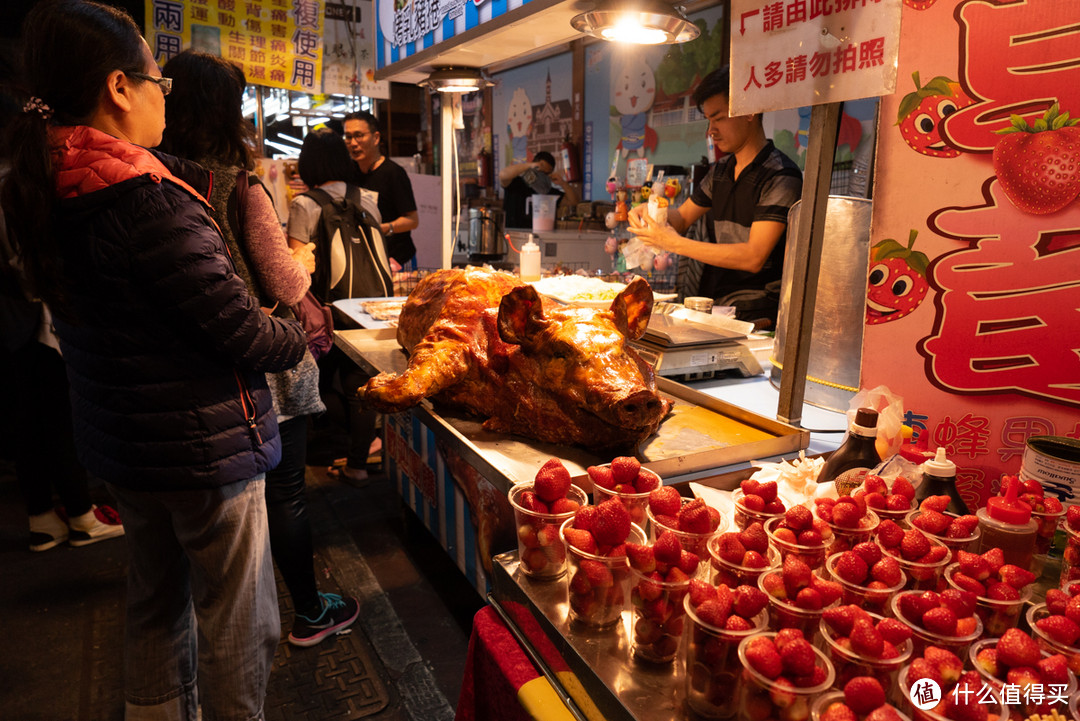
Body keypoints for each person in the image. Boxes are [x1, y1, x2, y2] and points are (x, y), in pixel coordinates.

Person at [1, 2, 308, 719]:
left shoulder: (50, 182)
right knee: (241, 622)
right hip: (202, 449)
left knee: (154, 607)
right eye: (155, 84)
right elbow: (239, 330)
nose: (160, 99)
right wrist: (290, 326)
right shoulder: (145, 200)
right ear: (117, 87)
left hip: (126, 443)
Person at [159, 50, 359, 647]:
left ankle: (209, 619)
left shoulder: (156, 177)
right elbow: (285, 281)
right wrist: (303, 274)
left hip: (195, 371)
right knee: (285, 493)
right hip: (263, 361)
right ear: (226, 111)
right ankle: (308, 612)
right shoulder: (235, 182)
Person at [628, 66, 803, 330]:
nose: (711, 131)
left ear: (750, 111)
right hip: (719, 306)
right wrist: (653, 212)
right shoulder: (721, 172)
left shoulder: (781, 175)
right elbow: (682, 218)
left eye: (718, 118)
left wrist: (673, 242)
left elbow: (753, 257)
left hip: (761, 314)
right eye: (708, 121)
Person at [288, 129, 382, 486]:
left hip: (329, 309)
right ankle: (359, 462)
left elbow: (297, 266)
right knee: (362, 387)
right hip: (372, 306)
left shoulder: (305, 204)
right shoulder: (369, 197)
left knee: (325, 383)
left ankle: (341, 449)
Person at [343, 110, 419, 270]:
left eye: (359, 135)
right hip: (365, 260)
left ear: (376, 138)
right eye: (348, 137)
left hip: (397, 260)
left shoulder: (393, 173)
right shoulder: (347, 172)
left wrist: (383, 228)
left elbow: (412, 220)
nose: (353, 143)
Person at [499, 150, 579, 229]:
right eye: (539, 170)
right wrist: (529, 165)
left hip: (537, 237)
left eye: (546, 174)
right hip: (511, 234)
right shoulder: (515, 183)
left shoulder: (547, 192)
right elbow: (503, 175)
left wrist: (563, 183)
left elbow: (573, 202)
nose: (541, 176)